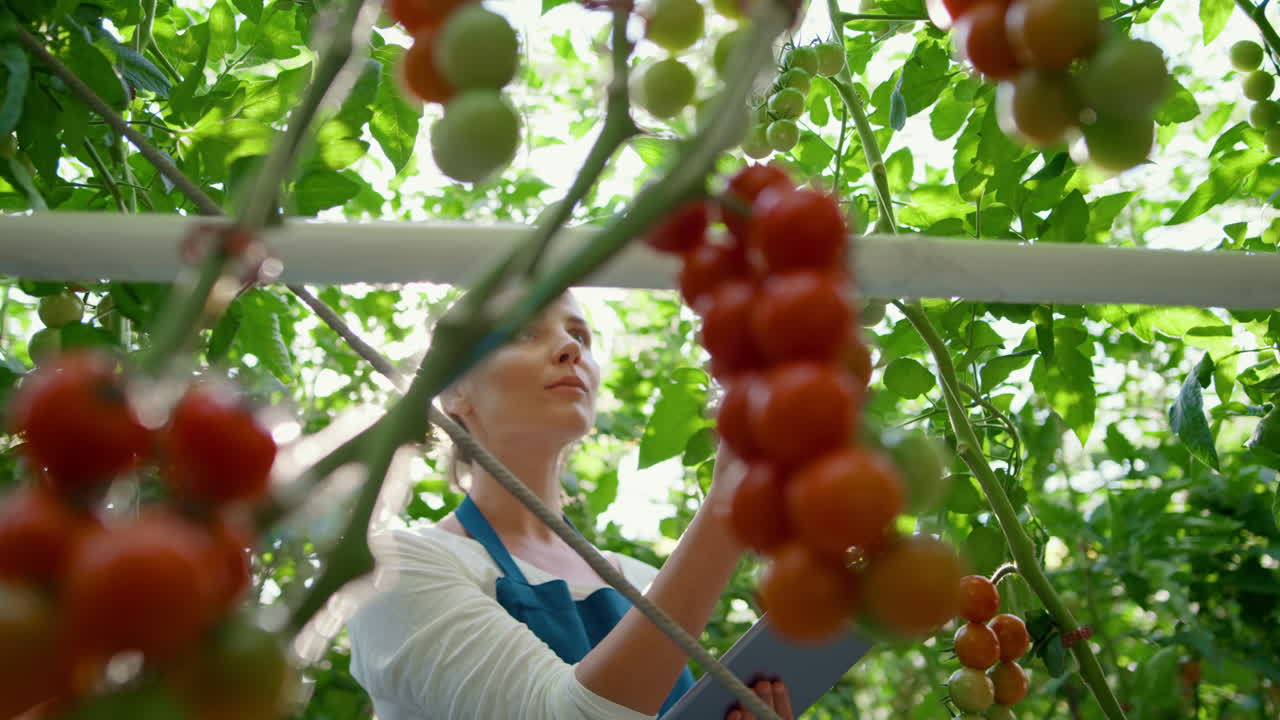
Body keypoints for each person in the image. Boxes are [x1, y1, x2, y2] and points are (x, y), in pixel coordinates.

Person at [345, 292, 795, 720]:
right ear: (455, 391)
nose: (568, 347)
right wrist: (728, 508)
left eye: (580, 335)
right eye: (524, 333)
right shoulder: (395, 571)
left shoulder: (643, 582)